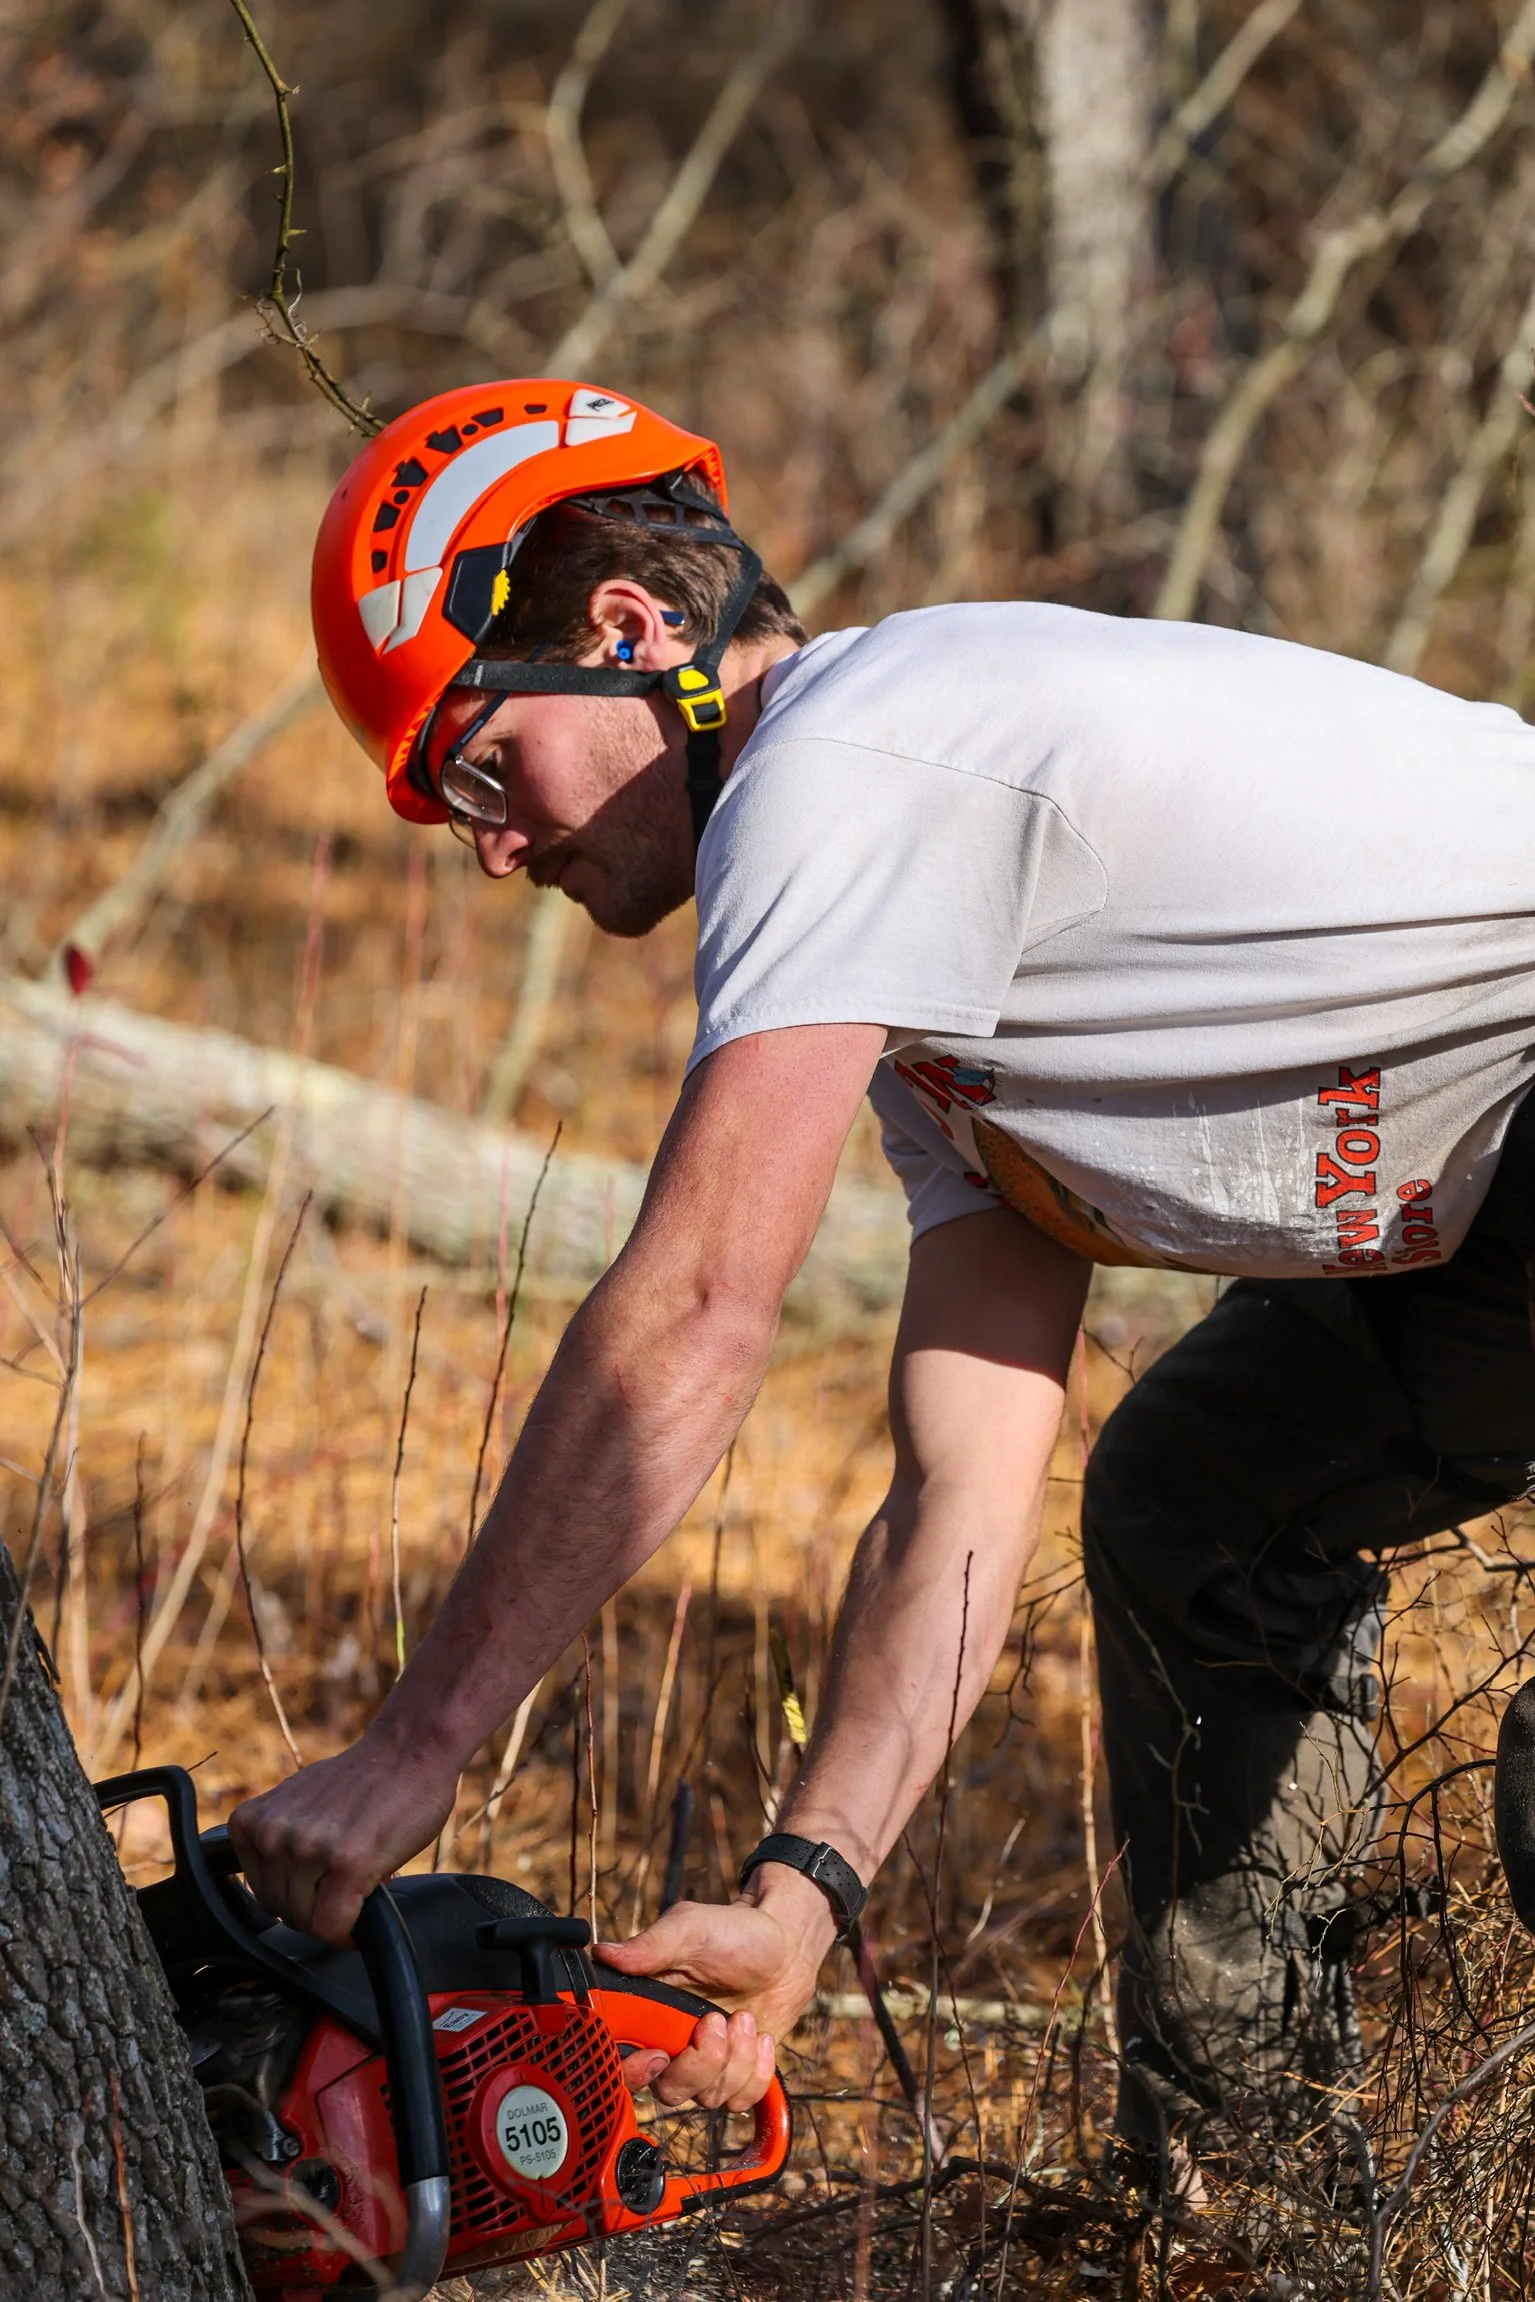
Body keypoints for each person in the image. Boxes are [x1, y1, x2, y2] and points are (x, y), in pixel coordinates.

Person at [231, 375, 1535, 2159]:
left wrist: (418, 1743)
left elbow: (696, 1307)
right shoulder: (933, 977)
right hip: (1491, 1199)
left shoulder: (850, 761)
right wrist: (802, 1890)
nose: (489, 843)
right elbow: (954, 1491)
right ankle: (1257, 2198)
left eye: (476, 759)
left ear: (629, 631)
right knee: (1191, 1499)